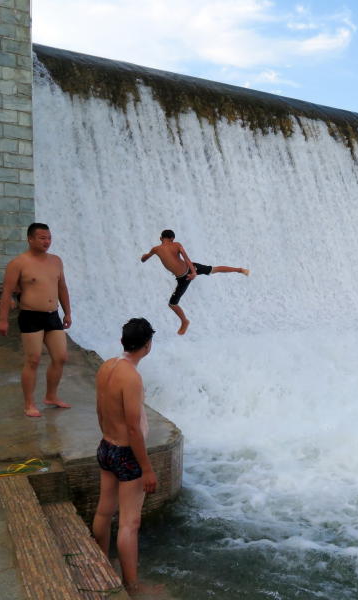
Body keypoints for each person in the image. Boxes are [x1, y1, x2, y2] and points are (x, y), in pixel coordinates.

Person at [92, 318, 162, 596]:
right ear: (148, 346)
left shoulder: (106, 366)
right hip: (126, 453)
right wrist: (146, 469)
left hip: (106, 446)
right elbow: (133, 428)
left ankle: (100, 566)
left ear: (122, 341)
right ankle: (131, 586)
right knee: (129, 524)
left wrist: (108, 440)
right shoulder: (132, 378)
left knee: (103, 512)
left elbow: (100, 409)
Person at [0, 223, 72, 418]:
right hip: (31, 317)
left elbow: (62, 288)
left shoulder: (56, 261)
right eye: (42, 238)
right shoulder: (18, 263)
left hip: (53, 316)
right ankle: (29, 403)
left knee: (61, 357)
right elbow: (7, 292)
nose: (47, 242)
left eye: (49, 238)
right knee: (33, 360)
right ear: (30, 239)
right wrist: (3, 320)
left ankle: (51, 396)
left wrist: (67, 313)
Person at [141, 229, 249, 335]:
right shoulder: (176, 244)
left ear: (161, 238)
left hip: (188, 274)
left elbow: (144, 259)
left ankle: (184, 321)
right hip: (188, 272)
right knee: (214, 269)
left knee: (172, 304)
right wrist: (193, 272)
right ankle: (240, 270)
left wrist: (144, 256)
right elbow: (186, 258)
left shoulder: (155, 249)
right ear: (172, 239)